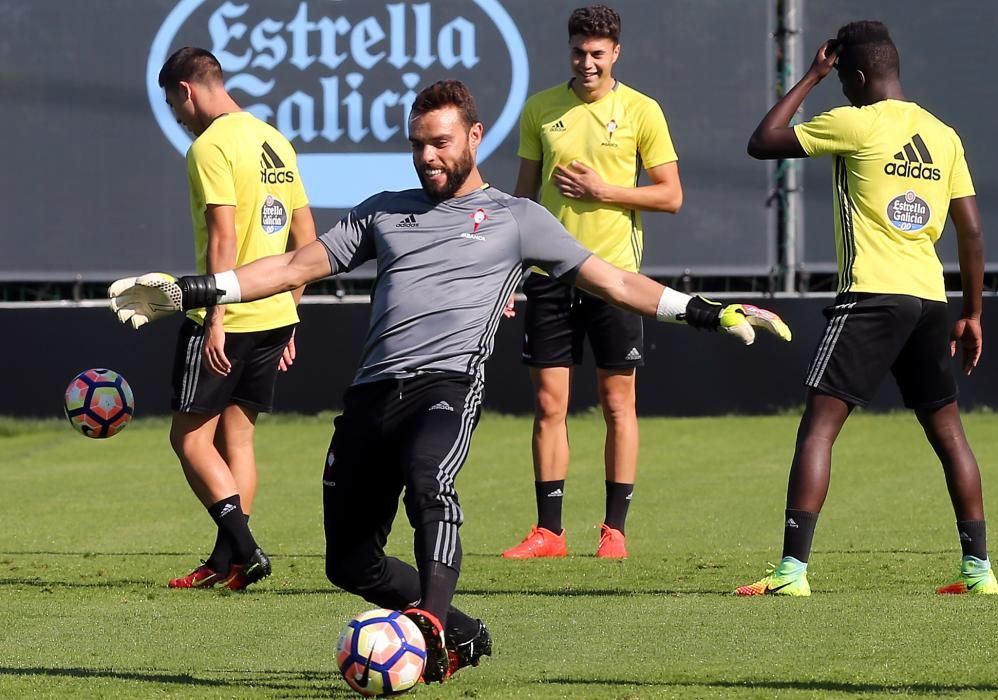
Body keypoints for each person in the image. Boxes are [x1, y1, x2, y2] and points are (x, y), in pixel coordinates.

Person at [110, 80, 790, 682]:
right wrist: (189, 290)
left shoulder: (518, 219)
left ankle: (431, 628)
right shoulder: (384, 210)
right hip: (370, 395)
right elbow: (291, 268)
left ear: (474, 136)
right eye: (417, 145)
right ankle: (462, 628)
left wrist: (705, 312)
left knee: (430, 482)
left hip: (444, 386)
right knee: (348, 566)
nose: (427, 156)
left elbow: (614, 280)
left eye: (439, 142)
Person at [737, 21, 994, 596]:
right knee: (948, 431)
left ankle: (791, 573)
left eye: (843, 81)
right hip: (930, 298)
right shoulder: (943, 133)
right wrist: (972, 313)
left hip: (871, 296)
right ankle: (979, 571)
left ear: (854, 76)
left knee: (819, 430)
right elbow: (972, 231)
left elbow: (763, 141)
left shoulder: (854, 121)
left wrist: (810, 76)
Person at [503, 5, 683, 561]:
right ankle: (549, 532)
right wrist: (509, 273)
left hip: (615, 280)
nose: (587, 62)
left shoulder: (641, 111)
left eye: (597, 54)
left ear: (616, 54)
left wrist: (608, 192)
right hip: (550, 279)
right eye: (579, 52)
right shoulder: (540, 109)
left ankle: (614, 530)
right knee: (548, 404)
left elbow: (669, 195)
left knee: (616, 403)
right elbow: (523, 202)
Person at [157, 47, 316, 591]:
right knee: (239, 441)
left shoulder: (209, 147)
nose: (180, 120)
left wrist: (215, 318)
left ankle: (245, 549)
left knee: (190, 440)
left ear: (186, 91)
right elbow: (308, 243)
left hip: (225, 315)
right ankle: (227, 563)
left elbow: (223, 238)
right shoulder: (275, 139)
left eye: (176, 108)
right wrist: (291, 314)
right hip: (274, 314)